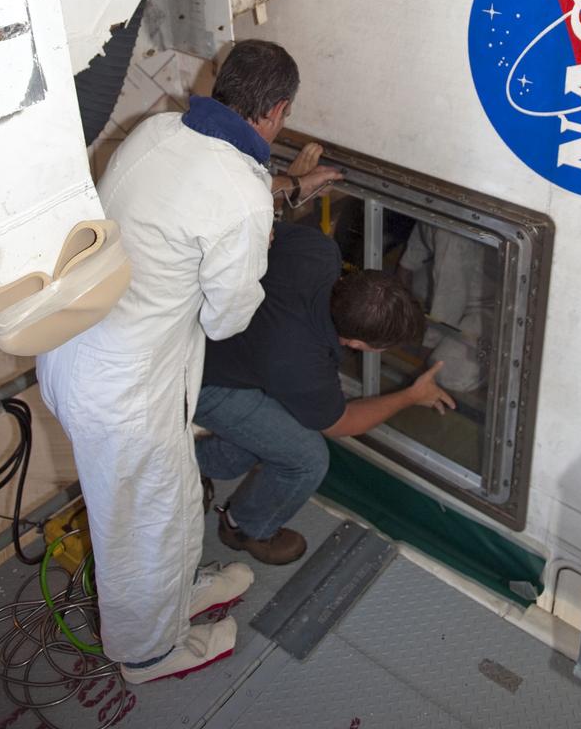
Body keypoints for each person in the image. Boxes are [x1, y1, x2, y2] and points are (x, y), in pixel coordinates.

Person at [37, 40, 339, 684]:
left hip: (81, 350)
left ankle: (175, 596)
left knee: (170, 507)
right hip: (125, 392)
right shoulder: (241, 196)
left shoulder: (158, 131)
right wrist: (255, 243)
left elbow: (210, 197)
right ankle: (148, 653)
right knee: (143, 523)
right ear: (279, 111)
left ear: (218, 82)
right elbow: (227, 319)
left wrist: (283, 192)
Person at [195, 220, 455, 561]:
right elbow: (341, 422)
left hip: (197, 325)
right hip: (198, 377)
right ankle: (244, 527)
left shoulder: (316, 249)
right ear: (356, 343)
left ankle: (190, 466)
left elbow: (256, 233)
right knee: (305, 459)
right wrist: (412, 395)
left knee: (276, 432)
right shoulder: (300, 361)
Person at [397, 222, 498, 394]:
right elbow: (422, 232)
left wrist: (423, 358)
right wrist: (403, 273)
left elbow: (449, 298)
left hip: (488, 304)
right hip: (454, 278)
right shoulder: (441, 214)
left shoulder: (454, 234)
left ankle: (497, 361)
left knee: (448, 372)